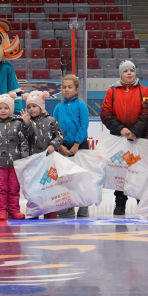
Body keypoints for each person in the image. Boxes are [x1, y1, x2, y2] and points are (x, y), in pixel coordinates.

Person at [100, 60, 148, 216]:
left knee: (139, 172)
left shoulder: (144, 91)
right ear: (120, 74)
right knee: (119, 171)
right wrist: (121, 129)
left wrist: (135, 131)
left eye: (132, 70)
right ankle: (120, 203)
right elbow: (105, 114)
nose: (129, 73)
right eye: (125, 71)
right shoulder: (111, 91)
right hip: (119, 138)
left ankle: (141, 202)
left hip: (139, 138)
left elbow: (147, 113)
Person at [21, 90, 64, 219]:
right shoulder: (27, 122)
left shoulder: (51, 120)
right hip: (34, 161)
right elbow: (24, 138)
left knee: (49, 185)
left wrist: (53, 145)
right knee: (33, 186)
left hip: (49, 161)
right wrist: (26, 125)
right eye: (29, 107)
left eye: (34, 106)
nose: (31, 109)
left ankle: (49, 209)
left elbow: (60, 135)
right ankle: (34, 209)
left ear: (41, 106)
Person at [0, 93, 28, 221]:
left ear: (11, 109)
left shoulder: (18, 124)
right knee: (1, 188)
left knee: (14, 188)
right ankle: (2, 211)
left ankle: (14, 210)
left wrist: (24, 158)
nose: (3, 111)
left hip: (15, 163)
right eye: (0, 108)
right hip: (0, 164)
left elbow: (23, 142)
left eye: (6, 108)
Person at [53, 73, 91, 218]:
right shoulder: (58, 107)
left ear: (76, 89)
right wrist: (60, 145)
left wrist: (76, 144)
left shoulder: (81, 105)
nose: (66, 90)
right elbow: (54, 127)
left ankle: (83, 205)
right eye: (64, 87)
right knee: (66, 179)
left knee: (81, 178)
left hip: (80, 146)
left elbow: (84, 125)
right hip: (63, 147)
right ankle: (68, 207)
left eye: (69, 87)